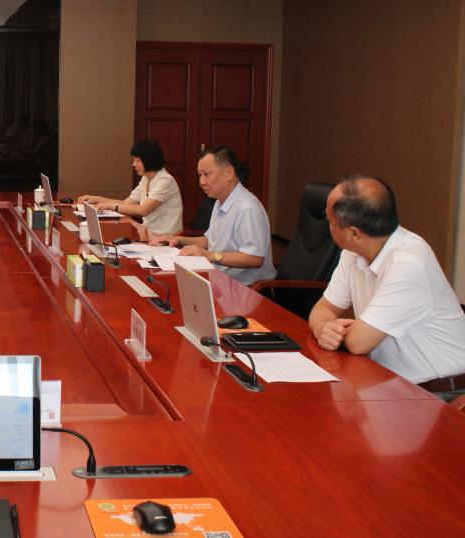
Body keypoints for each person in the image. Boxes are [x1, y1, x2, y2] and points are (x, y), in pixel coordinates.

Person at [308, 176, 465, 395]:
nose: (328, 225)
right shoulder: (353, 252)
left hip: (438, 393)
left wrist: (336, 330)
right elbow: (323, 308)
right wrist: (323, 328)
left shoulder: (409, 262)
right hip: (386, 380)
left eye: (329, 220)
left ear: (353, 233)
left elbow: (359, 343)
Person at [150, 146, 275, 285]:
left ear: (229, 172)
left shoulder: (247, 208)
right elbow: (211, 241)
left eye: (206, 174)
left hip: (247, 288)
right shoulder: (219, 202)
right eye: (199, 175)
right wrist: (177, 239)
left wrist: (209, 256)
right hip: (219, 279)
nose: (202, 182)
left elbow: (254, 258)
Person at [78, 139, 183, 235]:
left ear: (149, 159)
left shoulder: (165, 181)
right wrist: (98, 199)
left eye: (137, 161)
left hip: (166, 238)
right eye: (134, 160)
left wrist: (111, 206)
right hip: (148, 233)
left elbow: (143, 210)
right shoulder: (145, 179)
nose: (134, 164)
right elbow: (126, 203)